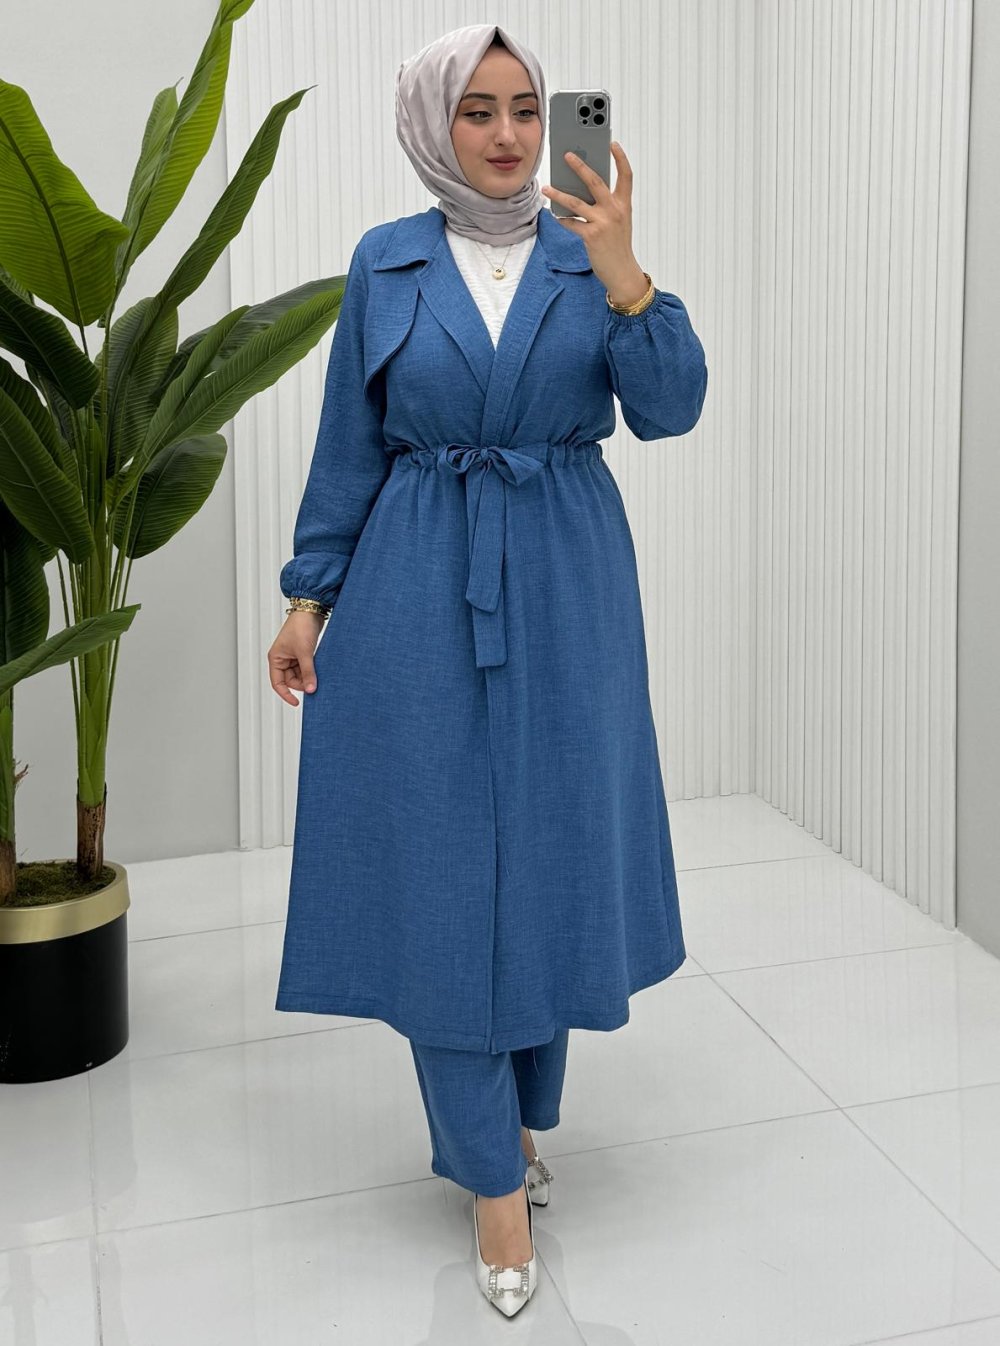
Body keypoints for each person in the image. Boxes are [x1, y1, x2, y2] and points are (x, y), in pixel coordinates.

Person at [266, 22, 707, 1318]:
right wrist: (308, 594)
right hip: (416, 580)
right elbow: (351, 441)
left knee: (554, 849)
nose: (509, 135)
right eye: (478, 110)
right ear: (432, 123)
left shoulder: (588, 249)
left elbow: (671, 409)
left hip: (569, 580)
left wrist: (625, 273)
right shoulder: (386, 260)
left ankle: (517, 1120)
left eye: (526, 108)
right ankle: (494, 1189)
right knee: (443, 866)